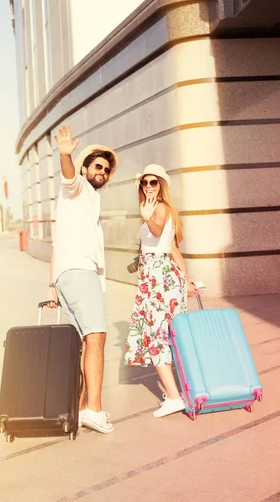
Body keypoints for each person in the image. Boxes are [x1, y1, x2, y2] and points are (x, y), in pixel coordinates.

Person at [48, 125, 118, 434]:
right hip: (79, 272)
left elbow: (54, 246)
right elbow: (68, 177)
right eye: (97, 166)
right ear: (85, 168)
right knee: (96, 336)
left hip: (66, 275)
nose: (102, 171)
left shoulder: (85, 201)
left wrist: (53, 286)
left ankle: (75, 409)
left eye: (106, 169)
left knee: (80, 345)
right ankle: (95, 409)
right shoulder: (77, 188)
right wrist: (65, 154)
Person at [124, 164, 195, 417]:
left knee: (156, 337)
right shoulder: (152, 209)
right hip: (154, 278)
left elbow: (161, 236)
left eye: (154, 182)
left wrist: (147, 218)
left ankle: (175, 397)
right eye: (145, 182)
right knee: (163, 334)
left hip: (160, 279)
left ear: (161, 185)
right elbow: (175, 249)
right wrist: (186, 280)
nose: (149, 186)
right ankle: (177, 391)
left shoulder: (161, 208)